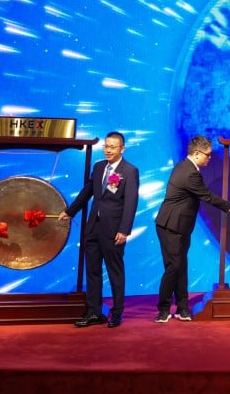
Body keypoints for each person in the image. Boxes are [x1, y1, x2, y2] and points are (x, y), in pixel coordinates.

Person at [154, 135, 230, 322]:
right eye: (207, 155)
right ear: (196, 153)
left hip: (181, 225)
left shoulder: (186, 166)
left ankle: (182, 307)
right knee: (173, 267)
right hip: (170, 226)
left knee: (181, 266)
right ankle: (163, 309)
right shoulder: (190, 173)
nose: (210, 158)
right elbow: (207, 196)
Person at [60, 131, 139, 328]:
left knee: (115, 272)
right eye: (106, 146)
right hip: (93, 227)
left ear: (122, 149)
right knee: (93, 271)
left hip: (114, 230)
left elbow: (131, 203)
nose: (108, 150)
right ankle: (94, 312)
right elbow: (87, 192)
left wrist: (124, 230)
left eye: (112, 147)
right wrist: (70, 211)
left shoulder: (129, 171)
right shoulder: (98, 166)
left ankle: (117, 313)